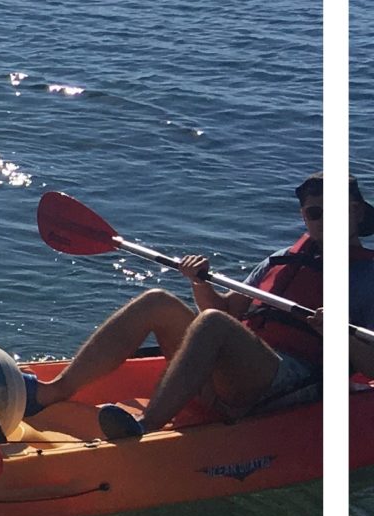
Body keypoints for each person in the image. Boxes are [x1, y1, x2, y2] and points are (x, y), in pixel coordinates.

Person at [32, 173, 374, 443]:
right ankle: (55, 390)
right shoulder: (281, 259)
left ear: (356, 211)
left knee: (211, 324)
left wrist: (338, 335)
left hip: (290, 384)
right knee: (157, 301)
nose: (322, 219)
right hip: (239, 372)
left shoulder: (368, 275)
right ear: (304, 217)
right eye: (314, 212)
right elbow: (227, 311)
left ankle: (144, 428)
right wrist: (200, 282)